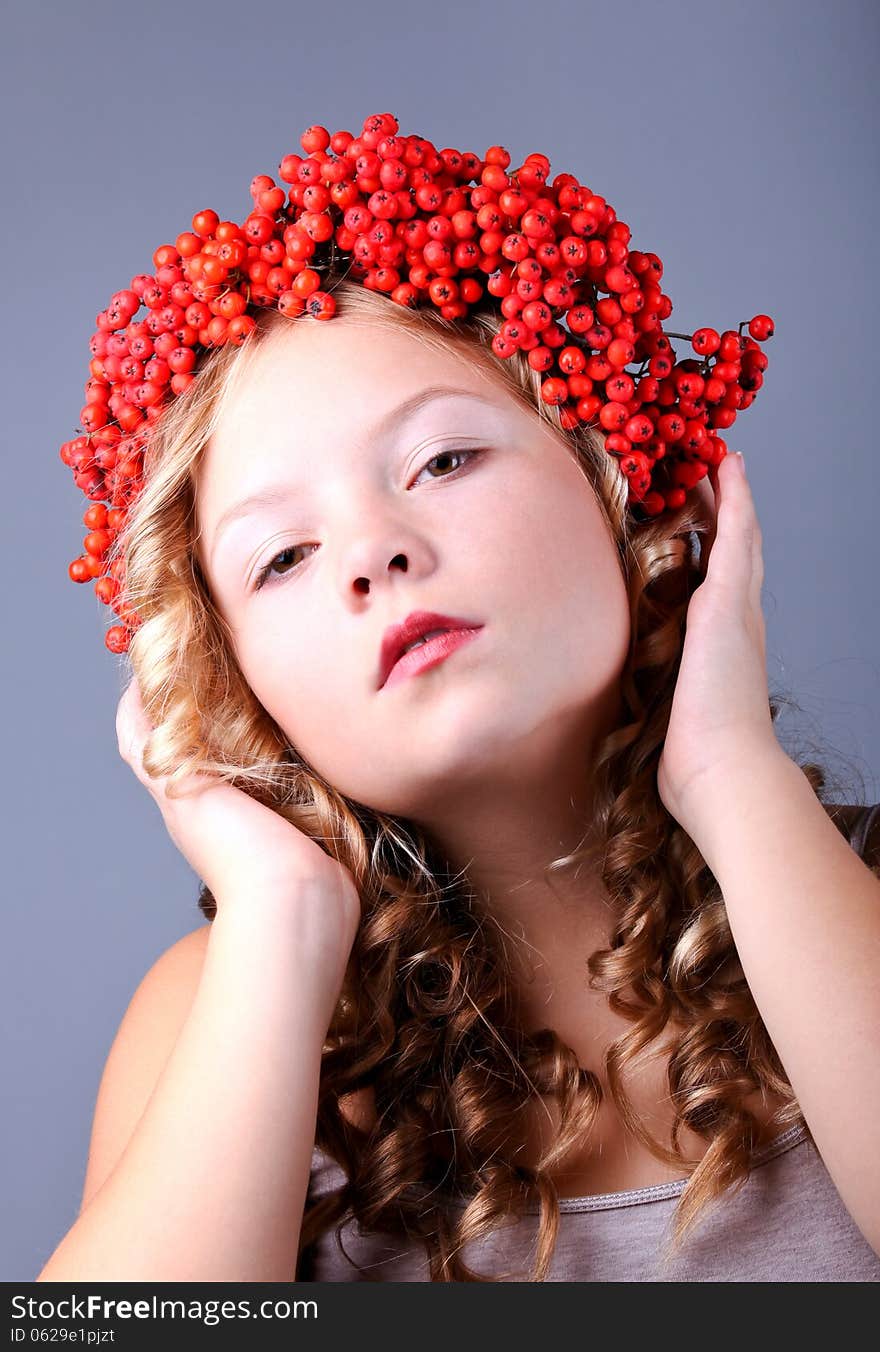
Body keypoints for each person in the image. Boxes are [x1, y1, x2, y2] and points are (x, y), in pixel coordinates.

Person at [38, 115, 880, 1282]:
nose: (370, 554)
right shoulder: (216, 1016)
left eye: (440, 461)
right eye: (281, 555)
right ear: (231, 674)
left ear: (626, 493)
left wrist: (732, 775)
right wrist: (280, 913)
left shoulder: (859, 902)